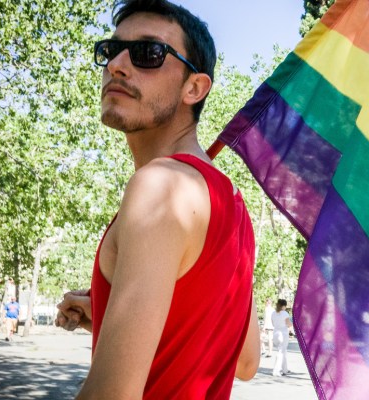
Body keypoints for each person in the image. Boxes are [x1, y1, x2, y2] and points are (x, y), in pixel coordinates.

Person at [53, 1, 259, 398]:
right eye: (111, 51)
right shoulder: (233, 204)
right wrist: (112, 316)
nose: (117, 65)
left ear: (194, 88)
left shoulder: (159, 186)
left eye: (150, 53)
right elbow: (245, 359)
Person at [271, 299, 293, 377]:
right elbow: (288, 324)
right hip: (283, 334)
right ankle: (276, 371)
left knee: (283, 351)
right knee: (281, 352)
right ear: (284, 306)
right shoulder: (285, 313)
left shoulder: (273, 313)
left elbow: (273, 324)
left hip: (275, 334)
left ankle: (285, 369)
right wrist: (293, 324)